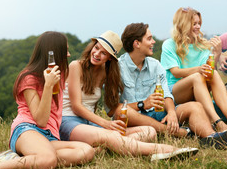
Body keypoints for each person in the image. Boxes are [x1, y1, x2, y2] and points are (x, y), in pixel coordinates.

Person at [0, 31, 95, 169]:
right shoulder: (28, 78)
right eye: (65, 50)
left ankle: (19, 160)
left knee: (86, 151)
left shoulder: (59, 74)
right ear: (54, 52)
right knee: (47, 160)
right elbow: (40, 120)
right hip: (27, 129)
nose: (68, 54)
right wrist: (48, 86)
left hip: (49, 135)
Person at [59, 30, 198, 160]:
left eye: (103, 53)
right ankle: (163, 150)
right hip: (69, 121)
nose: (97, 54)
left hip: (90, 124)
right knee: (111, 135)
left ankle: (105, 149)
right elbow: (76, 106)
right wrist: (106, 124)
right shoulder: (76, 66)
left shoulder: (105, 73)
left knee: (149, 131)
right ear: (92, 47)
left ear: (109, 58)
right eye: (96, 48)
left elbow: (106, 106)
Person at [118, 23, 227, 149]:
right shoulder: (118, 68)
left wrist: (171, 112)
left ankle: (213, 137)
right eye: (149, 39)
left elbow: (167, 94)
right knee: (124, 111)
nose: (153, 42)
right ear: (137, 43)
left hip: (159, 113)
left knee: (195, 106)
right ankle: (177, 132)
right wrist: (142, 104)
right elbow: (113, 109)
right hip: (135, 117)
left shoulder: (155, 65)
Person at [160, 7, 227, 133]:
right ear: (184, 24)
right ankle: (217, 122)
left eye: (199, 23)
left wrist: (217, 53)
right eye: (194, 24)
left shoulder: (202, 45)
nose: (198, 27)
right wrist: (198, 69)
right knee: (197, 76)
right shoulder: (169, 44)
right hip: (175, 92)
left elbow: (208, 71)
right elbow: (175, 72)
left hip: (197, 88)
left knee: (213, 73)